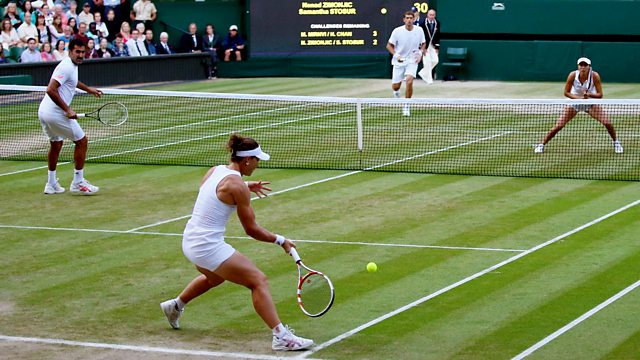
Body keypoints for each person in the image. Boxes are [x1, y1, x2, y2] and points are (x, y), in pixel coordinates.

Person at [159, 134, 314, 351]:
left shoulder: (215, 170)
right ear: (247, 160)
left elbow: (217, 191)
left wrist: (246, 185)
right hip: (207, 246)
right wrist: (281, 241)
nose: (258, 164)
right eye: (257, 160)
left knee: (214, 278)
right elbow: (251, 230)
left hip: (190, 241)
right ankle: (281, 337)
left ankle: (175, 305)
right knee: (258, 281)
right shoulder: (236, 186)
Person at [38, 38, 102, 195]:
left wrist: (88, 89)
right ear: (70, 51)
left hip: (44, 112)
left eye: (83, 52)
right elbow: (51, 89)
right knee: (82, 141)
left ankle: (51, 184)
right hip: (54, 113)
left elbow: (72, 82)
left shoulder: (72, 65)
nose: (80, 55)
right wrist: (67, 110)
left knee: (56, 144)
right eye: (77, 52)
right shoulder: (66, 66)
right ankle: (78, 182)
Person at [534, 57, 623, 154]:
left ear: (589, 67)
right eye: (581, 65)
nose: (583, 67)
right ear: (578, 66)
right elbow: (566, 92)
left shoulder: (595, 76)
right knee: (559, 125)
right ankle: (541, 145)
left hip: (590, 103)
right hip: (574, 103)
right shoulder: (572, 75)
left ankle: (616, 142)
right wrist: (578, 99)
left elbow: (600, 95)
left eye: (585, 65)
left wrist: (589, 95)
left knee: (607, 123)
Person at [386, 11, 425, 116]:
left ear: (414, 19)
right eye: (407, 18)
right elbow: (389, 46)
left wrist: (420, 53)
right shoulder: (397, 31)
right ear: (404, 20)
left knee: (409, 81)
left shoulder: (419, 30)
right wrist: (396, 56)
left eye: (411, 18)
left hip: (412, 60)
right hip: (399, 61)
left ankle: (407, 106)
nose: (409, 20)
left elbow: (423, 43)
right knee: (395, 86)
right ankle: (396, 91)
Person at [417, 8, 440, 84]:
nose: (432, 16)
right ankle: (429, 79)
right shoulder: (422, 23)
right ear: (427, 15)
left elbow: (437, 35)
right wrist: (422, 47)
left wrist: (437, 47)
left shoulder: (437, 23)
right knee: (427, 62)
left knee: (435, 60)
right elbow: (420, 36)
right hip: (425, 45)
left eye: (433, 15)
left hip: (432, 45)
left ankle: (423, 73)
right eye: (430, 15)